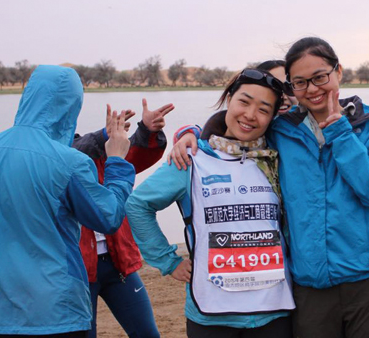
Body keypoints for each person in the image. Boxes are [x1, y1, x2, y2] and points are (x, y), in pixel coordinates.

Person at [169, 49, 369, 338]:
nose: (311, 89)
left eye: (319, 77)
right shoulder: (281, 131)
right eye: (299, 83)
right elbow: (235, 129)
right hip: (310, 281)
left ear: (338, 72)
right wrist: (188, 133)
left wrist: (341, 131)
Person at [0, 65, 135, 337]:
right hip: (58, 312)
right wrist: (117, 161)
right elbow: (108, 216)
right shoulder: (70, 161)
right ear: (71, 107)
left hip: (1, 311)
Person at [125, 69, 295, 338]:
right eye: (244, 102)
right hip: (211, 314)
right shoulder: (192, 158)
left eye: (263, 110)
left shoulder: (278, 160)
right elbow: (138, 205)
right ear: (228, 99)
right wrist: (168, 261)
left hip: (273, 311)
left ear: (273, 117)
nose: (250, 115)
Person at [72, 99, 174, 338]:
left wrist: (146, 130)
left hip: (118, 263)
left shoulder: (104, 157)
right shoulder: (57, 157)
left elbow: (137, 156)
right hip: (78, 271)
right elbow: (75, 148)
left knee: (148, 334)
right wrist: (102, 137)